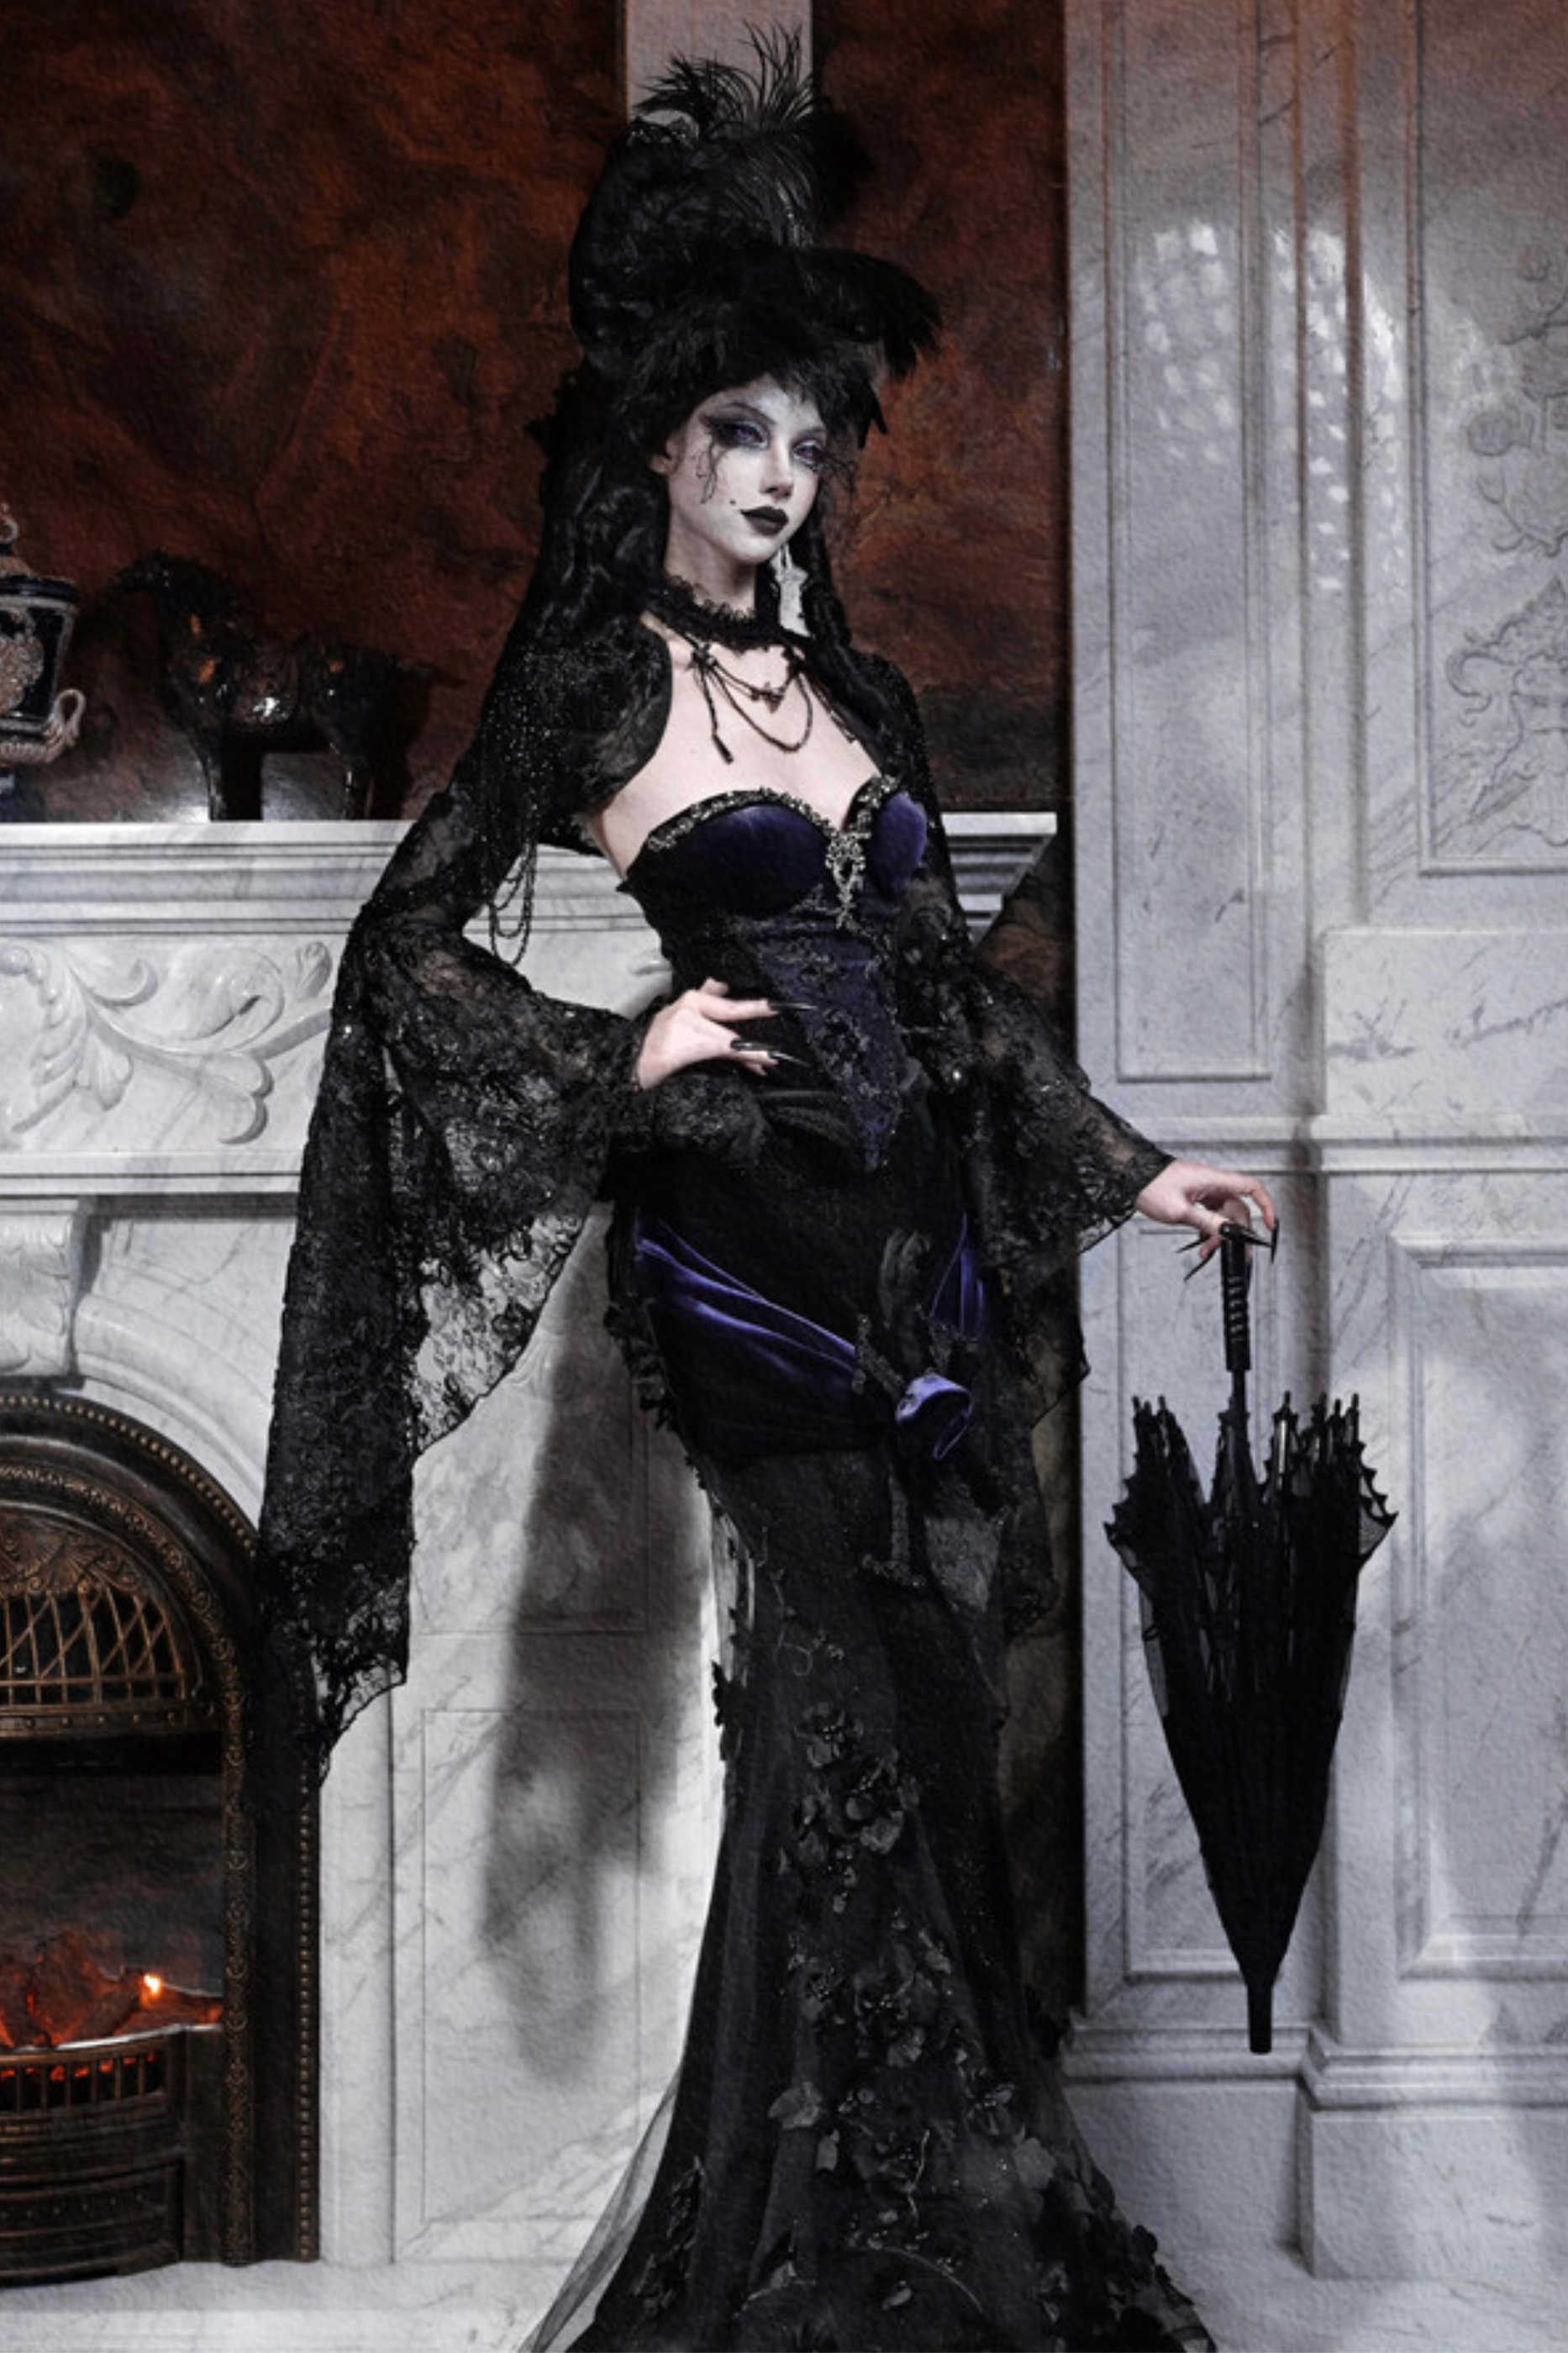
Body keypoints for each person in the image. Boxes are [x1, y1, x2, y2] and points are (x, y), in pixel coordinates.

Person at [252, 45, 1276, 2352]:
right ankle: (844, 2262)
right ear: (662, 445)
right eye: (743, 432)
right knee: (839, 1718)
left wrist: (1136, 1172)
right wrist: (620, 1056)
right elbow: (403, 947)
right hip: (742, 1259)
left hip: (917, 1246)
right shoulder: (591, 685)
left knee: (927, 1716)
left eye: (809, 440)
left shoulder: (864, 694)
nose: (782, 474)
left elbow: (955, 1006)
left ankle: (905, 2221)